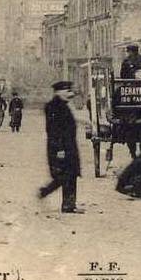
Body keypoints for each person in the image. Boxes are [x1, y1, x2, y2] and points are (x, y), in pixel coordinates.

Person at [37, 81, 83, 214]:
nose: (70, 94)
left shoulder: (62, 105)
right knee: (65, 175)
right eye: (67, 91)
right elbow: (54, 130)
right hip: (61, 147)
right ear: (59, 92)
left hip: (68, 145)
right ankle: (50, 195)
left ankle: (69, 204)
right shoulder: (54, 107)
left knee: (70, 174)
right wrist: (60, 149)